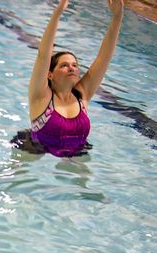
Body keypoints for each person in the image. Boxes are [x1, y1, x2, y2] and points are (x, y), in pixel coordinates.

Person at [26, 0, 124, 157]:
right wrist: (57, 13)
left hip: (77, 153)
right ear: (49, 74)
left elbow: (104, 57)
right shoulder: (41, 96)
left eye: (74, 65)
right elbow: (43, 55)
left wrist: (117, 17)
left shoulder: (82, 94)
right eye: (64, 65)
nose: (71, 67)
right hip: (34, 149)